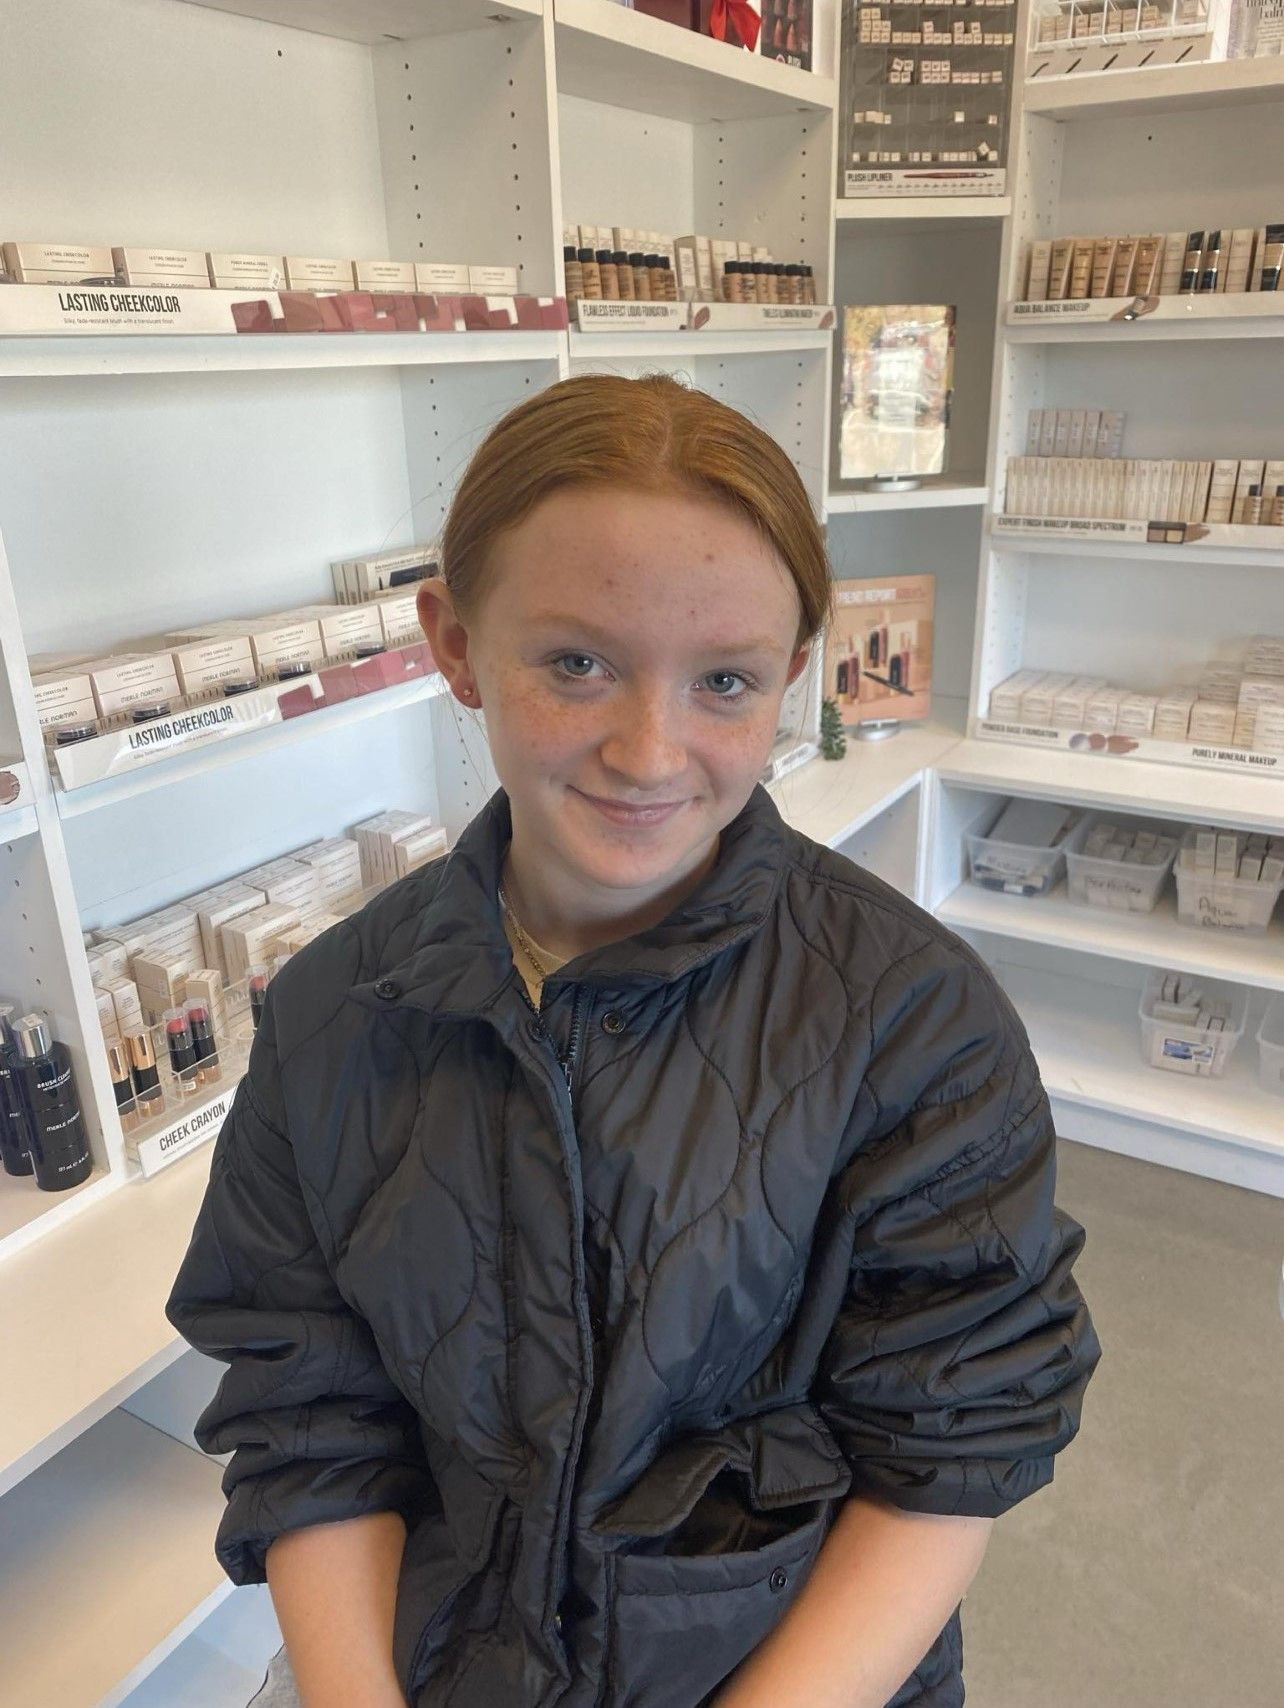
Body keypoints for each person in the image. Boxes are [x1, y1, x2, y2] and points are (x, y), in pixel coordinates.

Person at [166, 373, 1102, 1708]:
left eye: (722, 682)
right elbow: (309, 1407)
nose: (650, 750)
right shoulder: (332, 1018)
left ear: (788, 679)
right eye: (578, 664)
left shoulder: (914, 1024)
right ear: (452, 644)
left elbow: (949, 1445)